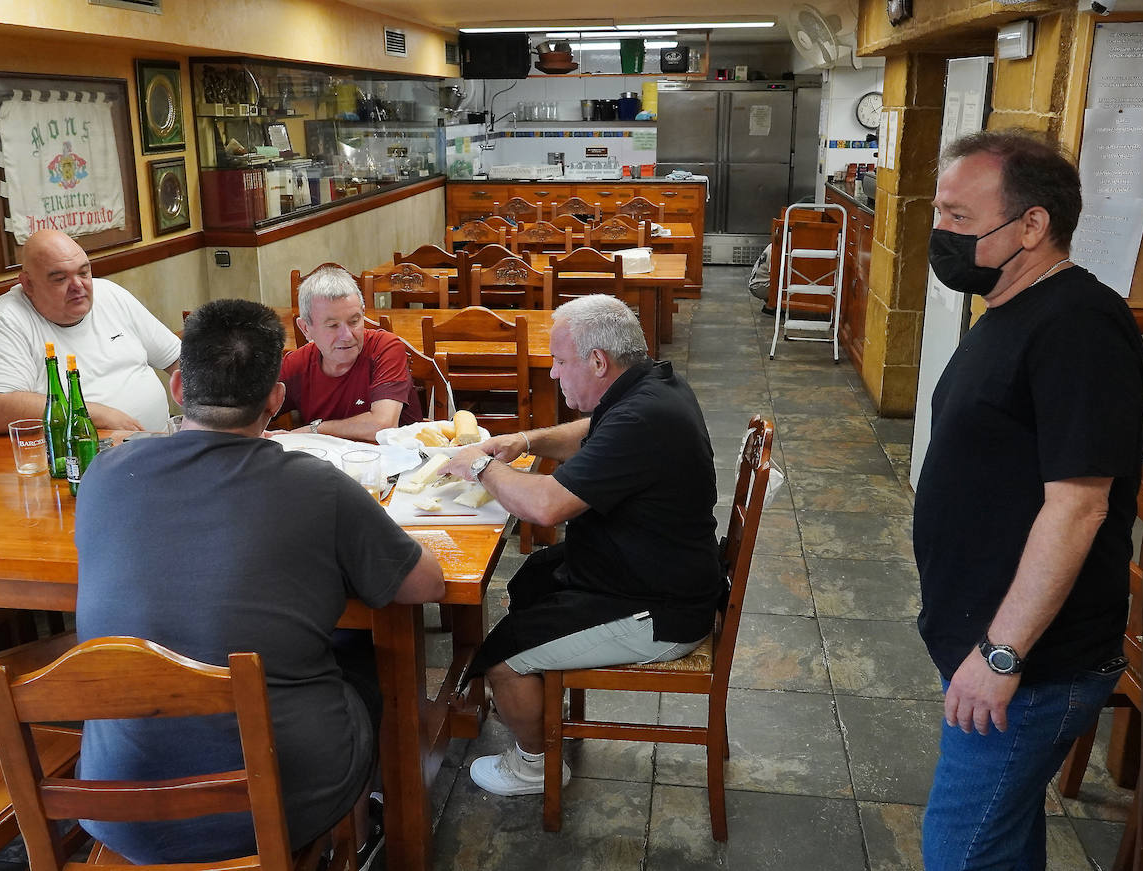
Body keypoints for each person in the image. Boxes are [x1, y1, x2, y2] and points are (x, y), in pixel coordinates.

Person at [74, 298, 444, 864]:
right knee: (364, 659)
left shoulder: (103, 473)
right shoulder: (318, 485)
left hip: (117, 803)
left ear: (179, 387)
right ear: (276, 398)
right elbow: (424, 585)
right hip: (280, 801)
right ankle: (365, 827)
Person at [915, 129, 1143, 869]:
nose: (940, 232)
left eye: (958, 216)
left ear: (1032, 225)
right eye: (939, 212)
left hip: (1034, 662)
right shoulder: (1011, 306)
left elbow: (1079, 506)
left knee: (960, 851)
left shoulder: (1080, 326)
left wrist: (1001, 652)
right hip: (988, 639)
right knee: (1002, 838)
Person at [438, 294, 718, 797]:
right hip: (649, 570)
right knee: (532, 582)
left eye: (560, 361)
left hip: (661, 609)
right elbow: (592, 431)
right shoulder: (653, 388)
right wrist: (525, 441)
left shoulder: (642, 419)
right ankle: (542, 705)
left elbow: (546, 507)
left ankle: (532, 767)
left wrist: (480, 466)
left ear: (597, 362)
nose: (552, 373)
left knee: (501, 659)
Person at [0, 229, 181, 434]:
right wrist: (92, 414)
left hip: (163, 442)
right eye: (60, 278)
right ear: (28, 284)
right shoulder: (7, 320)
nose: (78, 285)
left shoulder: (110, 294)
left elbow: (177, 359)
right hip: (87, 452)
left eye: (83, 272)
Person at [277, 266, 422, 441]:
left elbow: (382, 425)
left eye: (354, 321)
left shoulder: (385, 347)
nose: (347, 336)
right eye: (333, 326)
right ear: (306, 329)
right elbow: (251, 409)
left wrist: (314, 430)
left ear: (363, 314)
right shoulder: (298, 363)